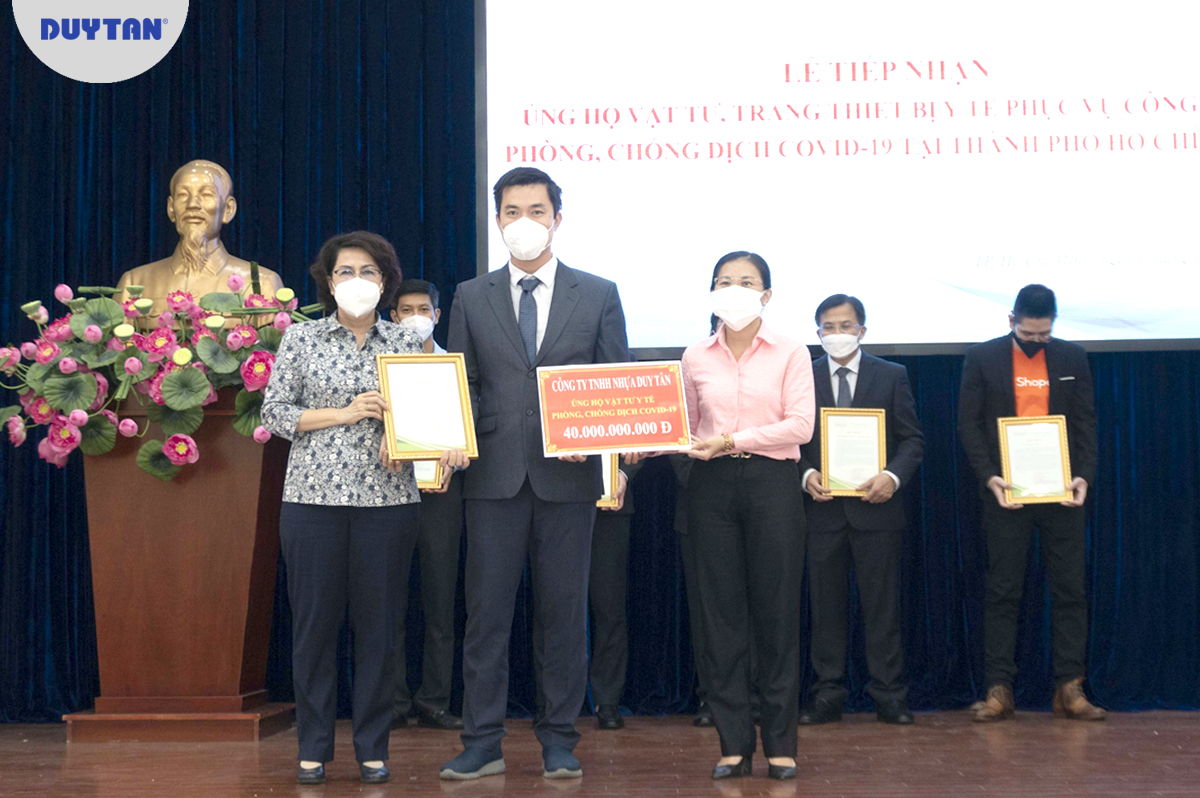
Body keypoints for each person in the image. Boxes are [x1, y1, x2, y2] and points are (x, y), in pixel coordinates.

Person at [440, 167, 631, 781]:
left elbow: (613, 386)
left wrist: (597, 446)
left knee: (563, 615)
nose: (524, 222)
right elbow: (464, 381)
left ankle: (559, 740)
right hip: (492, 477)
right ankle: (481, 741)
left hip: (568, 481)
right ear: (497, 220)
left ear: (557, 218)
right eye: (512, 211)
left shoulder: (597, 293)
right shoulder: (471, 295)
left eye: (536, 210)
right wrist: (451, 435)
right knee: (486, 618)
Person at [261, 232, 466, 785]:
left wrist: (435, 444)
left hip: (388, 505)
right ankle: (313, 748)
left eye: (369, 272)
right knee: (314, 628)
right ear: (329, 282)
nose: (357, 281)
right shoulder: (302, 338)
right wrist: (346, 413)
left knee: (380, 629)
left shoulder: (406, 342)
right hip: (312, 502)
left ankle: (373, 749)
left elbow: (436, 419)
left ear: (385, 282)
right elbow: (275, 413)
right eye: (345, 271)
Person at [682, 251, 814, 781]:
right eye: (724, 281)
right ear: (711, 292)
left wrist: (733, 439)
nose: (733, 289)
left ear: (767, 294)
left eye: (746, 281)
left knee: (777, 615)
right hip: (711, 488)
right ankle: (733, 744)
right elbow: (685, 427)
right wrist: (642, 441)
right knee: (720, 619)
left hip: (771, 485)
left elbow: (801, 425)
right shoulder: (695, 356)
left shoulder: (791, 351)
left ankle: (781, 744)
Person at [957, 284, 1104, 722]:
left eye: (1045, 334)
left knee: (1070, 591)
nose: (1037, 340)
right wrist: (989, 477)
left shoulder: (1072, 357)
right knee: (1003, 590)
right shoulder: (982, 357)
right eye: (1029, 334)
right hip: (1007, 493)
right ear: (1011, 321)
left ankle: (1070, 687)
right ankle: (999, 688)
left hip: (1062, 493)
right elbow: (969, 424)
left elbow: (1085, 422)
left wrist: (1084, 476)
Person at [798, 294, 924, 726]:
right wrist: (805, 473)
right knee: (825, 609)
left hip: (878, 510)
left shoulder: (892, 375)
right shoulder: (802, 375)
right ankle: (827, 695)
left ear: (862, 331)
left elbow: (912, 440)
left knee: (882, 607)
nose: (837, 334)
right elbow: (790, 438)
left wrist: (891, 476)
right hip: (822, 511)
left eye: (846, 326)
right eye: (829, 327)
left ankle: (889, 695)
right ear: (818, 333)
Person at [388, 279, 465, 730]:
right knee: (388, 602)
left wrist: (460, 457)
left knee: (440, 601)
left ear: (438, 315)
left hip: (442, 495)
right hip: (387, 493)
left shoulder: (455, 367)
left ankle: (435, 699)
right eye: (406, 310)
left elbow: (471, 429)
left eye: (424, 309)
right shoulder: (379, 366)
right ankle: (394, 701)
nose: (415, 317)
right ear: (393, 316)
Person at [116, 160, 282, 319]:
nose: (192, 204)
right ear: (171, 208)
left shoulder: (262, 283)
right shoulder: (134, 283)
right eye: (182, 195)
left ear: (228, 209)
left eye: (206, 194)